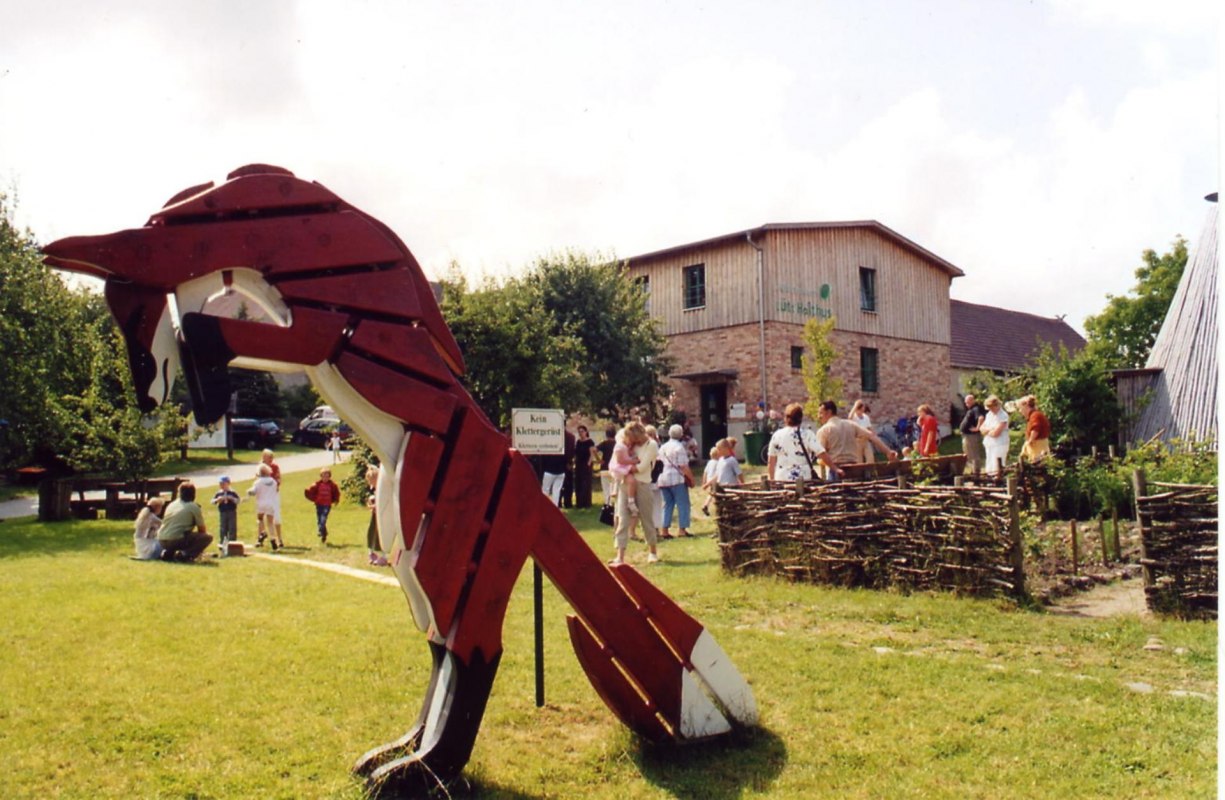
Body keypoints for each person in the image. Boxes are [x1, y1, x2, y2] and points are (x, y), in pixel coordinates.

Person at [610, 421, 660, 566]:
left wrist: (621, 467)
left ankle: (652, 551)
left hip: (643, 484)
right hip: (625, 484)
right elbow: (618, 455)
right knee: (623, 520)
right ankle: (620, 555)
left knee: (646, 519)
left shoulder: (651, 445)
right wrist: (622, 467)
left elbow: (642, 467)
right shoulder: (628, 442)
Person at [815, 400, 898, 473]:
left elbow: (821, 454)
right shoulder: (850, 425)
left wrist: (822, 461)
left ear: (829, 412)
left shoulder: (824, 430)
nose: (819, 416)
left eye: (821, 413)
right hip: (853, 468)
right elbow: (871, 436)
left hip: (836, 468)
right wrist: (888, 451)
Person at [769, 402, 843, 481]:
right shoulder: (807, 434)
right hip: (803, 477)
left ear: (786, 418)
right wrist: (835, 468)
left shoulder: (777, 435)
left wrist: (772, 479)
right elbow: (821, 453)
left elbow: (771, 461)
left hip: (782, 477)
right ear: (801, 418)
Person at [657, 424, 695, 539]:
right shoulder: (679, 447)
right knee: (683, 504)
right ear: (681, 434)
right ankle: (682, 530)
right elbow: (683, 466)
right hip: (677, 479)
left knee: (667, 504)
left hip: (663, 478)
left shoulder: (662, 447)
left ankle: (664, 530)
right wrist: (692, 479)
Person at [157, 482, 212, 561]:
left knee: (180, 534)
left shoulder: (172, 504)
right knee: (207, 537)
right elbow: (202, 530)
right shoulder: (193, 506)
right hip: (175, 540)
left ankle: (169, 553)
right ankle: (185, 555)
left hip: (161, 539)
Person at [609, 423, 645, 515]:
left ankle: (630, 500)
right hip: (620, 467)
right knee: (631, 479)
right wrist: (634, 461)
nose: (631, 443)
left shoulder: (626, 446)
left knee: (632, 481)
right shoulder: (620, 446)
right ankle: (630, 501)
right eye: (631, 440)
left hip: (624, 466)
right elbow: (620, 460)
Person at [248, 464, 282, 550]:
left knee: (260, 519)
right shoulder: (273, 482)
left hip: (261, 503)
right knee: (270, 522)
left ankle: (263, 532)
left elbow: (254, 491)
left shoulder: (258, 482)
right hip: (271, 503)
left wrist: (249, 492)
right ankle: (273, 539)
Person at [304, 467, 342, 544]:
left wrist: (336, 500)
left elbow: (336, 493)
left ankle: (320, 531)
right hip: (319, 504)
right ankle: (324, 533)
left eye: (327, 476)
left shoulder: (332, 485)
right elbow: (311, 490)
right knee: (319, 519)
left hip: (327, 505)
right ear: (321, 476)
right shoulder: (317, 484)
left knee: (323, 518)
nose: (325, 478)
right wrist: (308, 492)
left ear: (329, 476)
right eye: (323, 476)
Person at [980, 395, 1010, 475]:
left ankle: (998, 478)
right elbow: (982, 429)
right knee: (989, 462)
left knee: (997, 463)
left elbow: (996, 433)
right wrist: (990, 430)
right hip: (989, 443)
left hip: (1000, 443)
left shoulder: (1003, 415)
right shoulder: (989, 415)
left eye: (992, 407)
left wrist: (988, 430)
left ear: (997, 405)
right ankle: (990, 478)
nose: (991, 409)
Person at [365, 463, 388, 566]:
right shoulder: (375, 489)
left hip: (382, 516)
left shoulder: (383, 489)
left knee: (382, 534)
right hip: (375, 516)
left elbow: (384, 502)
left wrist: (376, 506)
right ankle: (372, 552)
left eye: (372, 481)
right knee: (372, 533)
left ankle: (384, 555)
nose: (371, 484)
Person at [211, 476, 241, 554]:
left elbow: (238, 501)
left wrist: (231, 498)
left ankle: (232, 544)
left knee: (232, 528)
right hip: (223, 512)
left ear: (228, 484)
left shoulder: (232, 492)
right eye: (220, 484)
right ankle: (222, 545)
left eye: (223, 484)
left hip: (231, 512)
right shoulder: (219, 493)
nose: (222, 485)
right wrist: (218, 500)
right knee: (223, 528)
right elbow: (212, 501)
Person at [260, 449, 284, 546]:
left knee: (276, 516)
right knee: (261, 517)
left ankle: (279, 539)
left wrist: (274, 485)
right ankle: (260, 538)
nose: (271, 459)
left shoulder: (275, 467)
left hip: (273, 494)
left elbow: (278, 479)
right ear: (264, 457)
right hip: (263, 496)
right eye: (269, 457)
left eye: (272, 457)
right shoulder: (260, 467)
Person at [959, 394, 987, 474]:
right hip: (967, 435)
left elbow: (981, 418)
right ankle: (972, 469)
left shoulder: (976, 409)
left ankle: (976, 471)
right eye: (965, 402)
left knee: (973, 454)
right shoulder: (971, 409)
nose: (966, 404)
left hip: (971, 436)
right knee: (968, 453)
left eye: (968, 402)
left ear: (972, 400)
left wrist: (977, 428)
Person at [1018, 395, 1051, 462]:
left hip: (1038, 446)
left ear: (1026, 406)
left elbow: (1035, 429)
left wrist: (1030, 441)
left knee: (1038, 464)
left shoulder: (1035, 415)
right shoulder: (1033, 415)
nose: (1020, 411)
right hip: (1038, 446)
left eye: (1020, 408)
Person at [573, 425, 597, 508]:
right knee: (578, 483)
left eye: (582, 431)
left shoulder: (590, 442)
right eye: (579, 432)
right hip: (579, 464)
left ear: (586, 432)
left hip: (586, 464)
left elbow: (592, 454)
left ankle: (586, 503)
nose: (580, 433)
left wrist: (589, 463)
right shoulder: (578, 442)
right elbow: (576, 454)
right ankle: (579, 503)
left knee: (585, 484)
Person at [540, 437, 568, 507]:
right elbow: (565, 459)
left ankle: (544, 506)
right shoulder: (561, 447)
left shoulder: (548, 448)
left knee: (545, 490)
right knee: (556, 491)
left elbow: (543, 459)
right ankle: (555, 507)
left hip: (549, 471)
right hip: (560, 471)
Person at [595, 425, 617, 506]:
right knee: (613, 487)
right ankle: (613, 503)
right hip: (614, 468)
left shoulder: (604, 443)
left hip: (604, 468)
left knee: (606, 487)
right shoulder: (617, 443)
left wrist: (598, 460)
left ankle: (607, 504)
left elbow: (594, 449)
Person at [700, 445, 720, 516]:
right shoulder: (718, 463)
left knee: (711, 493)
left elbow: (705, 472)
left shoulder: (709, 462)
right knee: (715, 494)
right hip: (714, 480)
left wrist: (704, 482)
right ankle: (708, 506)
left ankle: (706, 505)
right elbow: (718, 473)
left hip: (709, 479)